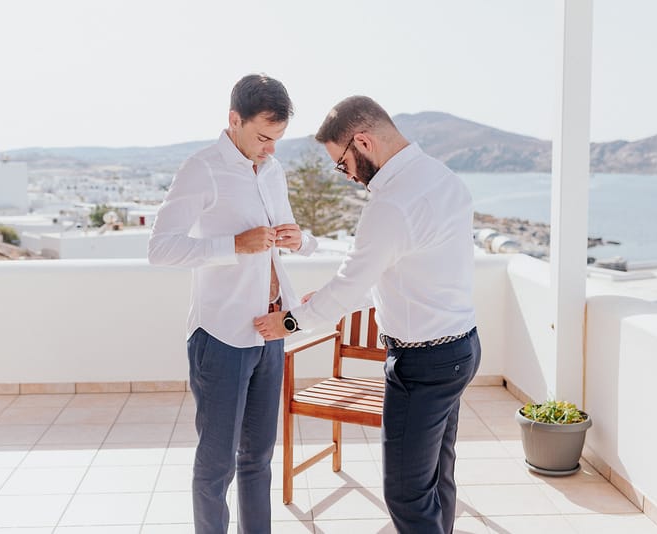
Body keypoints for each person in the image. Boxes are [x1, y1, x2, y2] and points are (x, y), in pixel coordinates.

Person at [254, 95, 480, 534]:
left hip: (422, 363)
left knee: (407, 494)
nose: (348, 176)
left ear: (362, 142)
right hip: (462, 349)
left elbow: (349, 284)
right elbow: (403, 275)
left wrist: (291, 321)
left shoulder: (391, 204)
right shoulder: (442, 177)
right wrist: (332, 299)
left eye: (343, 164)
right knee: (437, 478)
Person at [148, 73, 317, 534]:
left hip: (272, 330)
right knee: (216, 465)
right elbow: (160, 249)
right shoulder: (201, 169)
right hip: (221, 336)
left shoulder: (273, 171)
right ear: (234, 120)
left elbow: (283, 239)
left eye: (278, 139)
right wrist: (234, 245)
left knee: (258, 459)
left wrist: (301, 240)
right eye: (263, 137)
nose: (270, 149)